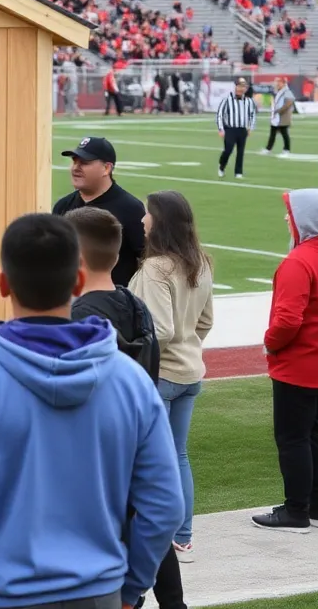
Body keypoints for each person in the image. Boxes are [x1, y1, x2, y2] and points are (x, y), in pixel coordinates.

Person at [0, 213, 182, 609]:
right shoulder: (129, 381)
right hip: (97, 594)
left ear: (3, 283)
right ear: (77, 280)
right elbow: (164, 505)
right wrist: (129, 587)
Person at [65, 208, 186, 609]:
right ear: (116, 256)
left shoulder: (79, 317)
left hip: (100, 451)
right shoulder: (134, 304)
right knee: (149, 518)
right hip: (138, 434)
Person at [130, 191, 214, 563]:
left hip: (160, 375)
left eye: (148, 215)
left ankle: (154, 534)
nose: (142, 221)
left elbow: (159, 329)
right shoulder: (200, 261)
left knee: (149, 460)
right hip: (190, 371)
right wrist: (189, 347)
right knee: (178, 456)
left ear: (160, 222)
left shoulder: (156, 269)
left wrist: (132, 357)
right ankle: (183, 535)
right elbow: (206, 321)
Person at [254, 189, 318, 533]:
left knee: (293, 439)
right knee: (313, 435)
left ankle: (296, 511)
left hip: (300, 365)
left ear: (307, 219)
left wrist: (270, 343)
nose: (287, 219)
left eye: (291, 213)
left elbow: (288, 320)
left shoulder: (300, 261)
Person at [53, 136, 147, 286]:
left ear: (106, 168)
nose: (76, 168)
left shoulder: (130, 208)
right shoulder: (63, 206)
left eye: (84, 163)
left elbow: (146, 259)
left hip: (112, 303)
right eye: (74, 161)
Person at [215, 77, 257, 179]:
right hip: (230, 128)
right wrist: (220, 129)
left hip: (242, 129)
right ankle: (221, 166)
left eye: (243, 86)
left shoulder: (249, 102)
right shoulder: (226, 100)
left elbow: (252, 115)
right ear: (235, 87)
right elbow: (220, 114)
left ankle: (238, 172)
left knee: (241, 151)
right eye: (239, 86)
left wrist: (250, 127)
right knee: (228, 149)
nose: (241, 89)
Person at [262, 76, 294, 156]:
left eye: (279, 82)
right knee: (272, 133)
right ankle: (268, 149)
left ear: (283, 83)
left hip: (282, 117)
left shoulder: (287, 91)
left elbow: (289, 102)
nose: (277, 84)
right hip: (277, 117)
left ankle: (286, 150)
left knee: (284, 134)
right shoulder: (279, 91)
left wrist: (280, 110)